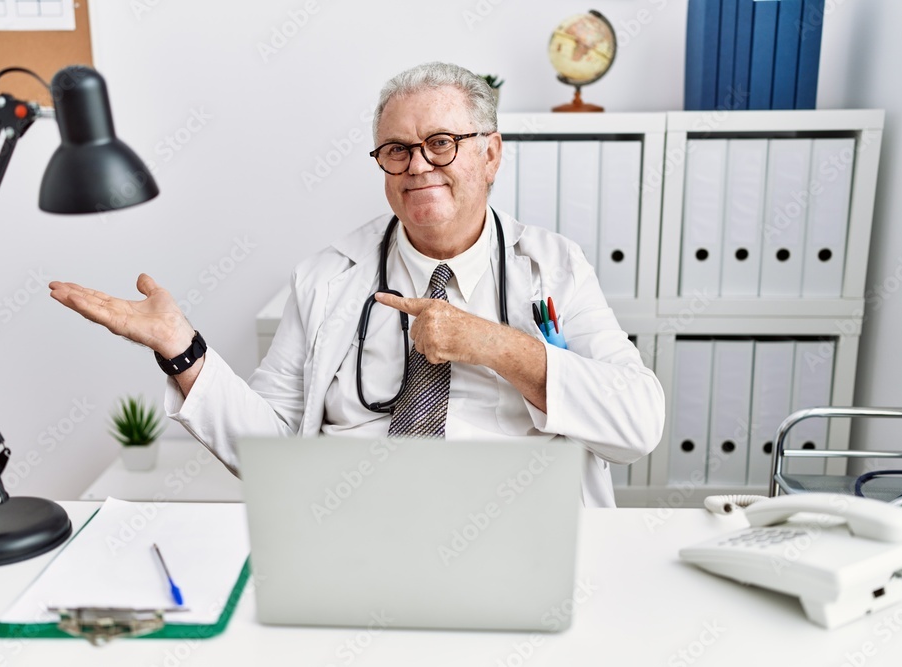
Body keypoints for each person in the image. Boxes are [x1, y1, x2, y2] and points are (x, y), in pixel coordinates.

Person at [49, 62, 665, 506]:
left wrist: (492, 345)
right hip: (357, 519)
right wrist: (182, 349)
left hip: (515, 518)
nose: (418, 165)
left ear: (491, 155)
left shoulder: (554, 265)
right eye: (396, 150)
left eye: (442, 144)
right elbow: (271, 451)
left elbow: (638, 424)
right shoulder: (325, 277)